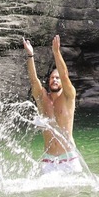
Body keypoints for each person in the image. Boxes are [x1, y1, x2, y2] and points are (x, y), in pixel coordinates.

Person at [24, 34, 81, 174]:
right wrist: (30, 56)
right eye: (52, 78)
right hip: (48, 160)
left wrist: (56, 53)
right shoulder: (42, 99)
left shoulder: (69, 96)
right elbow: (33, 80)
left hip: (69, 158)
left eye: (57, 78)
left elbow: (65, 75)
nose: (54, 80)